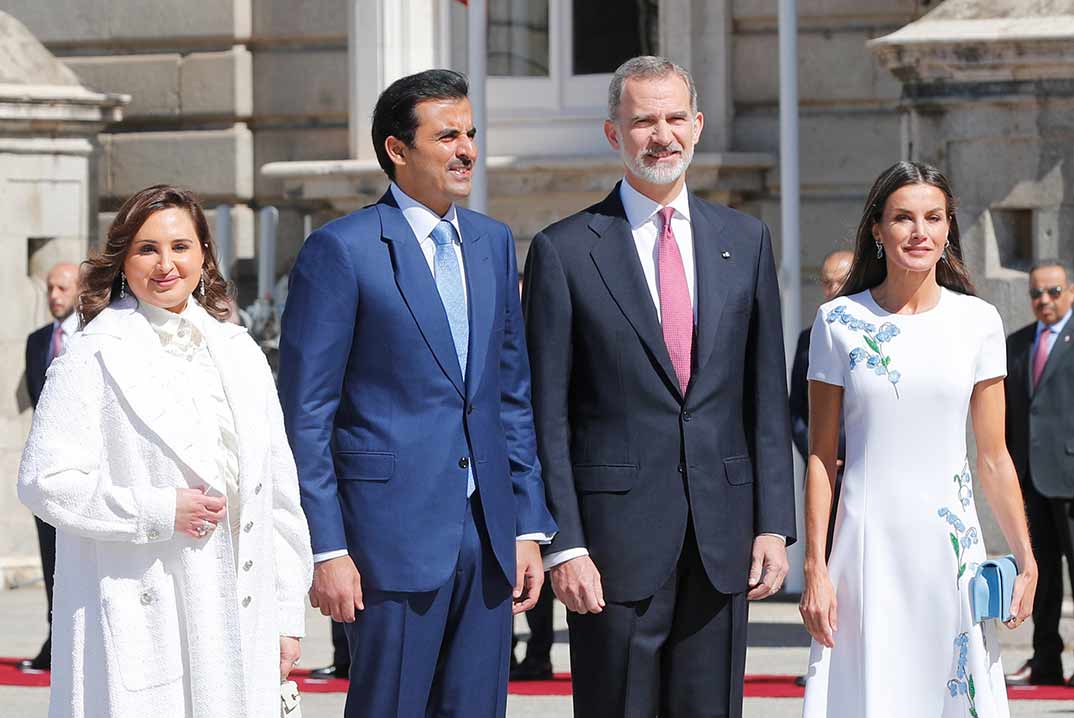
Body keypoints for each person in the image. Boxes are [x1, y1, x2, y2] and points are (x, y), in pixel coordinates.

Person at [523, 56, 796, 718]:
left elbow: (765, 395)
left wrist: (773, 525)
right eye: (644, 120)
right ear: (615, 134)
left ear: (697, 126)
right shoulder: (565, 250)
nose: (662, 134)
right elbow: (545, 414)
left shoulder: (746, 239)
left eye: (676, 118)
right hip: (610, 549)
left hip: (721, 541)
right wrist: (566, 543)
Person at [278, 69, 556, 718]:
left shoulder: (490, 242)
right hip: (386, 540)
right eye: (447, 135)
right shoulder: (340, 251)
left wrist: (526, 525)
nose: (466, 149)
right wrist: (328, 549)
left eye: (470, 133)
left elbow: (509, 395)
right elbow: (306, 416)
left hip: (488, 536)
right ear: (397, 150)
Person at [17, 184, 313, 718]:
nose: (165, 264)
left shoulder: (239, 352)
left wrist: (289, 614)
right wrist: (156, 509)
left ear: (204, 253)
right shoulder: (91, 356)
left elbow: (279, 494)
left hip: (240, 611)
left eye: (180, 246)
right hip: (142, 610)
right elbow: (44, 481)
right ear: (123, 261)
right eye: (147, 249)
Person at [799, 161, 1037, 717]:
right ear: (877, 230)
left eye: (933, 218)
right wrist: (815, 566)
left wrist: (1026, 558)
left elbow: (994, 456)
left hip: (950, 553)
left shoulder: (977, 322)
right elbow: (820, 456)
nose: (919, 232)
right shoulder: (837, 323)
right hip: (863, 552)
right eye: (902, 218)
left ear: (949, 227)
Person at [1003, 259, 1074, 686]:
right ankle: (1046, 660)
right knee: (1039, 574)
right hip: (1029, 480)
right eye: (1035, 293)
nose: (1043, 301)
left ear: (1070, 292)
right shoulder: (1017, 344)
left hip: (1070, 477)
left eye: (1052, 292)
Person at [19, 261, 80, 673]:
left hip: (88, 471)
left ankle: (78, 641)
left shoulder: (95, 336)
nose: (54, 295)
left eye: (62, 287)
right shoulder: (37, 340)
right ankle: (54, 639)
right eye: (50, 288)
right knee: (49, 557)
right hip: (49, 469)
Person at [789, 251, 852, 461]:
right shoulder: (809, 338)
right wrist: (817, 454)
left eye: (842, 282)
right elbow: (796, 410)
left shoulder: (880, 332)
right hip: (823, 469)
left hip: (868, 467)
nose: (833, 290)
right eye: (827, 283)